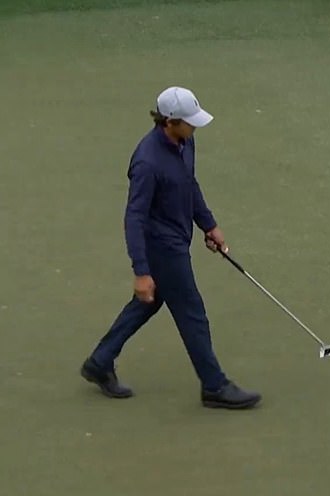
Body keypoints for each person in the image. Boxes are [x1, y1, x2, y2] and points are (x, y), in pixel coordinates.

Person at [80, 86, 261, 410]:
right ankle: (214, 386)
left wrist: (209, 224)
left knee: (147, 304)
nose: (195, 127)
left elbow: (189, 184)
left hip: (178, 237)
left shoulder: (185, 141)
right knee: (193, 314)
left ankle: (99, 361)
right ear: (169, 121)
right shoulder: (147, 162)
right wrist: (141, 271)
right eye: (189, 121)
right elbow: (133, 217)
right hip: (161, 247)